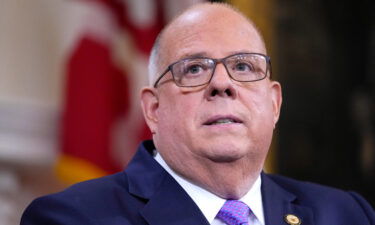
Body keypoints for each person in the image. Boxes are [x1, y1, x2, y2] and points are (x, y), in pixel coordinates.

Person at [21, 3, 374, 225]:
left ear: (274, 103)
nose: (222, 83)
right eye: (194, 69)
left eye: (243, 66)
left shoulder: (348, 214)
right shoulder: (71, 219)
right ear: (153, 109)